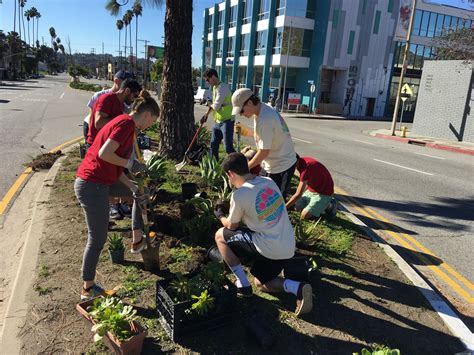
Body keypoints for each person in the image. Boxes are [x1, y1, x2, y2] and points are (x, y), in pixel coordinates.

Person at [75, 90, 160, 300]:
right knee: (97, 238)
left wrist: (130, 184)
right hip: (91, 184)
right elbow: (105, 154)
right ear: (148, 115)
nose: (150, 126)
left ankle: (137, 240)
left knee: (141, 192)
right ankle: (88, 287)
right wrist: (131, 163)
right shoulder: (126, 124)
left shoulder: (124, 123)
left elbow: (112, 164)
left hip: (103, 180)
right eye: (153, 122)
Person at [214, 153, 313, 316]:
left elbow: (232, 226)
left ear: (231, 174)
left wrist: (220, 215)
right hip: (288, 247)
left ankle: (242, 284)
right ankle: (298, 288)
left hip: (269, 248)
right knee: (261, 283)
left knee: (220, 235)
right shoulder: (268, 181)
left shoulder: (239, 195)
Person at [231, 88, 297, 199]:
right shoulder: (262, 109)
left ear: (250, 103)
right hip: (271, 163)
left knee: (275, 201)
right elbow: (266, 136)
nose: (241, 115)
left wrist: (246, 168)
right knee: (262, 195)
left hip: (282, 166)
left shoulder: (265, 119)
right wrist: (246, 132)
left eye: (241, 111)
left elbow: (264, 152)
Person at [86, 78, 142, 147]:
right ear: (127, 91)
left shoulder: (121, 104)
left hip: (104, 144)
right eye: (135, 96)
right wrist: (122, 121)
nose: (134, 100)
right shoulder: (107, 99)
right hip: (95, 144)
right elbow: (98, 123)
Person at [82, 70, 134, 141]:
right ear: (116, 81)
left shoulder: (125, 98)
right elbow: (92, 116)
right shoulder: (99, 95)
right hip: (91, 128)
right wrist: (92, 137)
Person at [200, 68, 235, 159]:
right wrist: (206, 115)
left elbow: (216, 106)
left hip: (227, 121)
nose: (207, 82)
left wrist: (209, 103)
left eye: (208, 79)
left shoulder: (222, 87)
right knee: (213, 146)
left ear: (213, 76)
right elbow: (214, 105)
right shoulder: (215, 88)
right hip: (218, 122)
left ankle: (241, 166)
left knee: (228, 148)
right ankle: (213, 166)